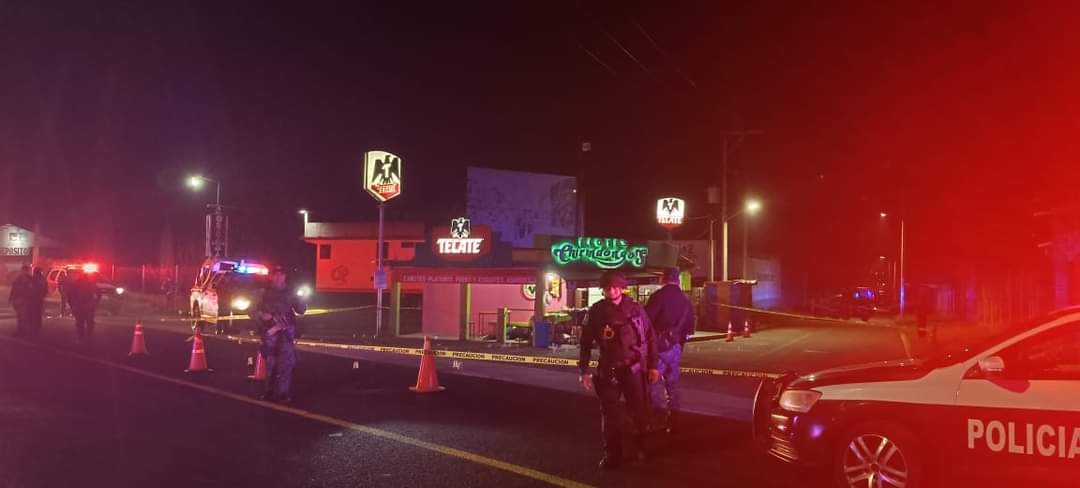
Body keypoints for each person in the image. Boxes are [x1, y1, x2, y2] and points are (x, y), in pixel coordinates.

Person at [578, 271, 660, 470]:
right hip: (608, 370)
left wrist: (653, 366)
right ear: (603, 290)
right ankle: (612, 454)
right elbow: (585, 342)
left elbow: (650, 337)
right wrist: (584, 370)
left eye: (615, 287)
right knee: (610, 414)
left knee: (639, 411)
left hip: (634, 368)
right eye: (607, 288)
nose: (612, 291)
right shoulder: (596, 311)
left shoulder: (636, 309)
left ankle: (643, 447)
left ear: (622, 288)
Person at [644, 268, 695, 435]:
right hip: (676, 347)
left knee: (653, 383)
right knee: (672, 383)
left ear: (663, 279)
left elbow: (645, 322)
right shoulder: (686, 300)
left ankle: (657, 419)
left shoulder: (658, 297)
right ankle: (674, 419)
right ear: (678, 280)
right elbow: (690, 328)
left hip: (657, 347)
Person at [250, 267, 306, 403]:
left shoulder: (291, 293)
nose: (278, 277)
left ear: (284, 276)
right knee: (271, 363)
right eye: (275, 275)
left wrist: (302, 298)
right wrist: (262, 315)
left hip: (286, 332)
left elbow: (301, 310)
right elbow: (252, 311)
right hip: (270, 333)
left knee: (286, 363)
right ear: (271, 277)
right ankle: (268, 391)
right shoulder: (263, 293)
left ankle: (283, 393)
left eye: (281, 274)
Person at [67, 269, 101, 346]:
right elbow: (99, 293)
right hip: (88, 306)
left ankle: (81, 339)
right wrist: (96, 302)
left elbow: (69, 295)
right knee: (89, 323)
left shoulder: (75, 284)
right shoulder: (91, 284)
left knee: (80, 323)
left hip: (79, 306)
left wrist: (72, 305)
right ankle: (89, 339)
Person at [8, 265, 33, 336]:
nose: (24, 272)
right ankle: (21, 330)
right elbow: (14, 289)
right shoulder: (18, 279)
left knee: (24, 316)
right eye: (23, 271)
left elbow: (32, 291)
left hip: (25, 300)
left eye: (25, 271)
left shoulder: (31, 280)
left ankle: (24, 331)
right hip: (19, 300)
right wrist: (11, 298)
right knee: (20, 316)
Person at [24, 267, 48, 337]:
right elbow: (45, 291)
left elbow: (29, 289)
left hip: (32, 300)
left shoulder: (33, 279)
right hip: (39, 300)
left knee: (31, 315)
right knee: (37, 315)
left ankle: (32, 329)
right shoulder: (43, 279)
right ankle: (36, 329)